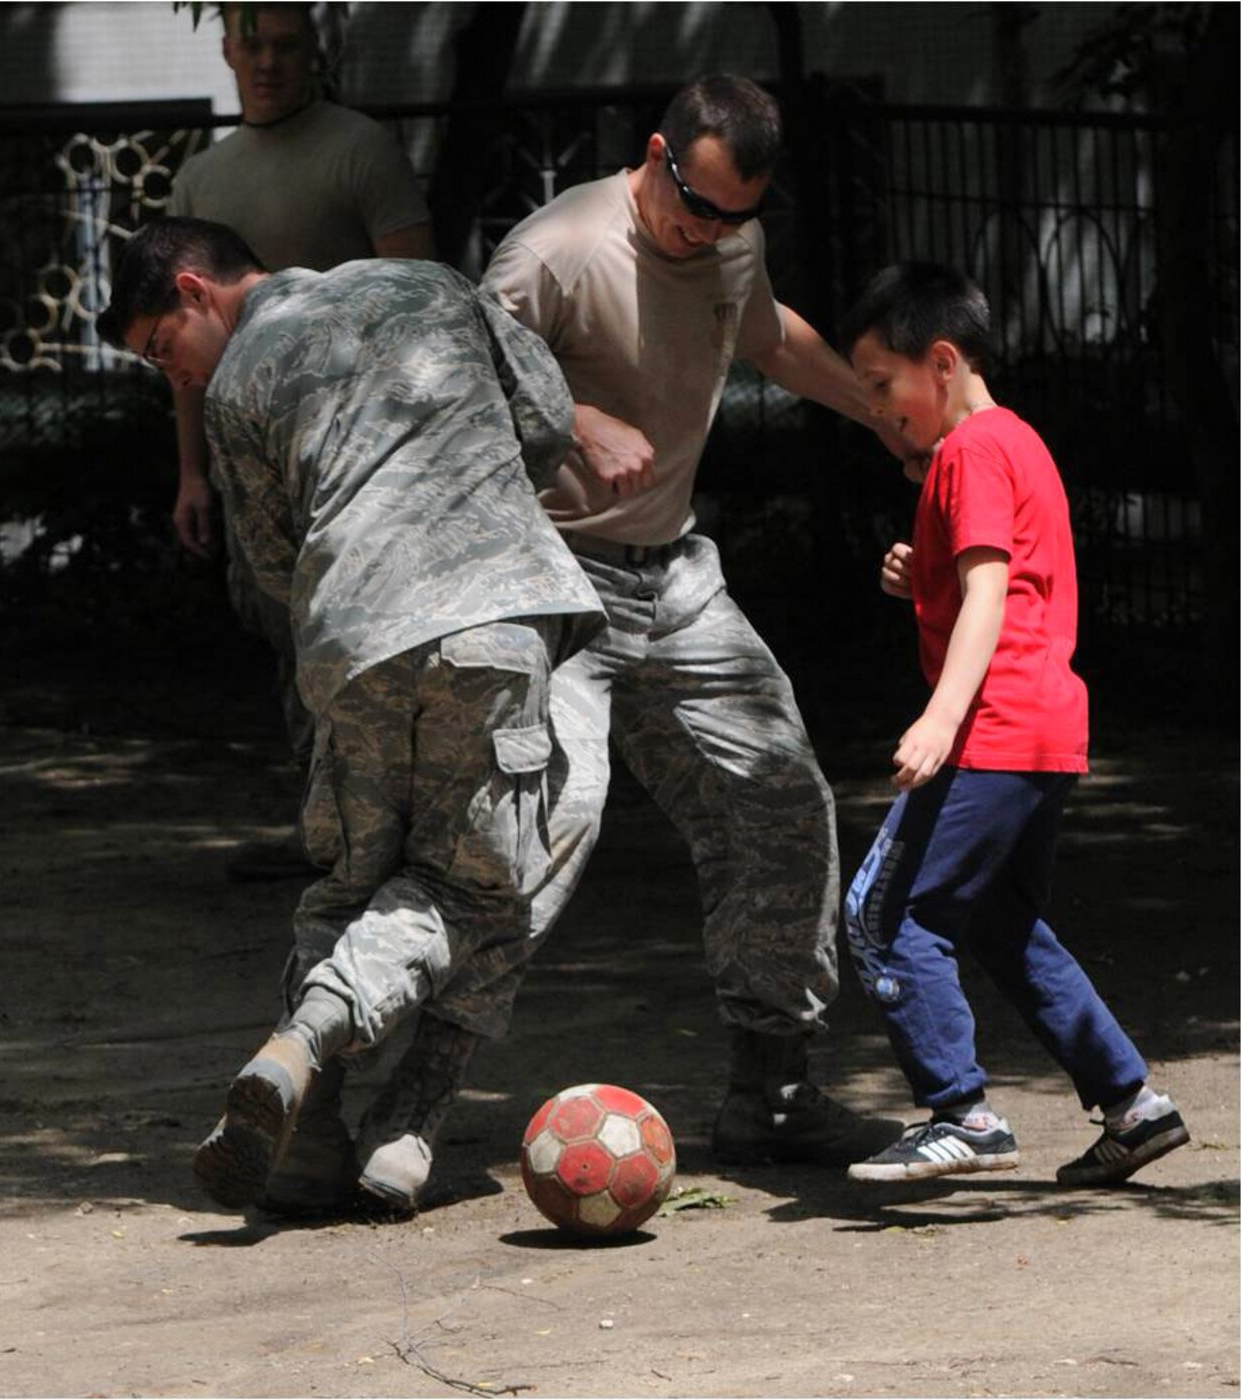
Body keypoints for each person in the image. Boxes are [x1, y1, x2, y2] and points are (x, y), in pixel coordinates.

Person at [99, 216, 604, 1213]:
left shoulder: (241, 384)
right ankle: (333, 1060)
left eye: (164, 351)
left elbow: (273, 565)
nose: (178, 382)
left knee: (349, 881)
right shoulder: (426, 283)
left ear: (196, 291)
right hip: (491, 619)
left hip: (353, 641)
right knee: (470, 889)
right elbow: (545, 413)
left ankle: (318, 1132)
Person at [481, 74, 906, 1165]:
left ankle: (770, 1085)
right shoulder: (553, 250)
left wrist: (885, 415)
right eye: (695, 203)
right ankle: (382, 1082)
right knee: (528, 827)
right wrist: (571, 417)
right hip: (548, 579)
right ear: (659, 152)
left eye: (735, 214)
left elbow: (765, 337)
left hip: (672, 577)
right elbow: (457, 387)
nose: (708, 229)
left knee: (780, 801)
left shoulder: (728, 246)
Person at [837, 262, 1190, 1184]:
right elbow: (1004, 576)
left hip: (992, 727)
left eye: (884, 387)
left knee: (885, 915)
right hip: (1044, 730)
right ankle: (1132, 1104)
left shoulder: (971, 450)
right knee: (1000, 921)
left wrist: (941, 716)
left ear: (942, 361)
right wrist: (925, 576)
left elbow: (992, 591)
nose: (879, 411)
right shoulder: (1016, 443)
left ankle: (962, 1113)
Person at [165, 1, 432, 881]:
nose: (268, 63)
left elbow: (420, 303)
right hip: (253, 464)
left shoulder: (360, 149)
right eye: (253, 46)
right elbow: (181, 354)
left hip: (362, 456)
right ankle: (332, 829)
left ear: (315, 53)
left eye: (286, 46)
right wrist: (192, 473)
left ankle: (398, 826)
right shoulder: (204, 177)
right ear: (228, 51)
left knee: (381, 641)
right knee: (290, 640)